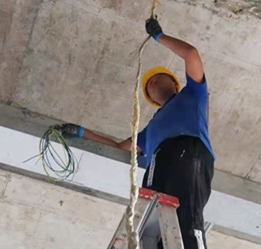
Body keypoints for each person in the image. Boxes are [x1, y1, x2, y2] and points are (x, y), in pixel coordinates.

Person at [57, 17, 215, 249]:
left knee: (185, 218)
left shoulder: (193, 96)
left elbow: (191, 54)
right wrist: (82, 133)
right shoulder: (150, 130)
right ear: (150, 99)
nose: (153, 82)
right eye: (149, 84)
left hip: (188, 152)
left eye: (158, 78)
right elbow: (119, 148)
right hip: (158, 162)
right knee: (155, 224)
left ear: (173, 82)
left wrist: (159, 36)